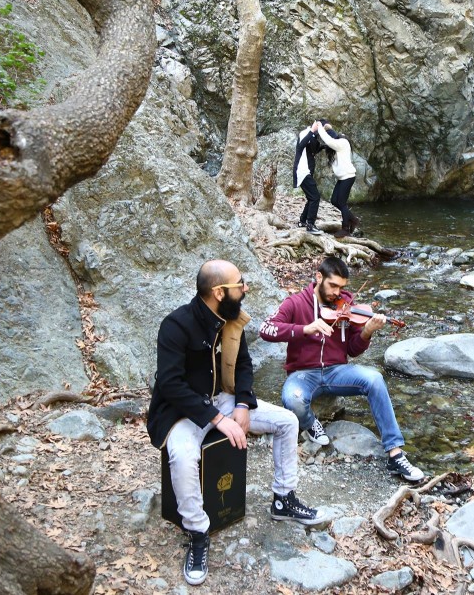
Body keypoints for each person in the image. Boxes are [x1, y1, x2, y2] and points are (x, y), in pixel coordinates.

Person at [147, 260, 325, 587]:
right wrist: (216, 418)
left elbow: (244, 365)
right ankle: (198, 532)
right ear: (218, 292)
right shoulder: (175, 326)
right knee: (183, 457)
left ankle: (283, 499)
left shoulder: (231, 320)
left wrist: (242, 404)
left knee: (287, 420)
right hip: (182, 411)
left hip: (227, 400)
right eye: (239, 284)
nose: (245, 288)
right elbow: (170, 385)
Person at [258, 256, 425, 483]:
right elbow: (266, 329)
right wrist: (304, 329)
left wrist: (366, 331)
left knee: (374, 379)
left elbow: (354, 350)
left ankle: (395, 453)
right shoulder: (295, 303)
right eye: (333, 285)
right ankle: (310, 423)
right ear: (319, 277)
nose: (338, 293)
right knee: (292, 398)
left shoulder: (346, 307)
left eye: (342, 287)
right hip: (303, 374)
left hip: (337, 372)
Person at [314, 120, 361, 238]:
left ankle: (345, 228)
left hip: (348, 176)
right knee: (335, 201)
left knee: (341, 202)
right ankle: (353, 219)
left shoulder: (343, 142)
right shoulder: (335, 147)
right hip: (343, 178)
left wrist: (320, 128)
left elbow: (328, 141)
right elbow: (326, 144)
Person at [293, 121, 324, 235]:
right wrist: (312, 131)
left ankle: (302, 221)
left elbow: (314, 150)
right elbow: (301, 146)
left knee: (311, 197)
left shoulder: (313, 136)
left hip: (307, 172)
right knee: (315, 197)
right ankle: (310, 225)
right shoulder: (305, 133)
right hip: (302, 171)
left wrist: (324, 146)